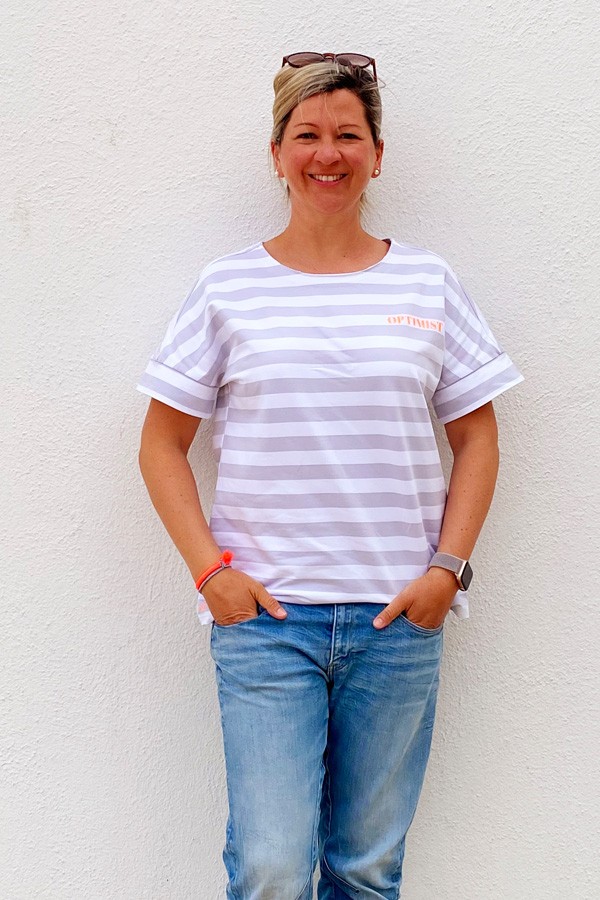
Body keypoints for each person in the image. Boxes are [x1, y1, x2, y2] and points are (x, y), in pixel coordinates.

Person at [137, 52, 523, 900]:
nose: (328, 153)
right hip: (267, 625)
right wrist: (211, 574)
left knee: (365, 869)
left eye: (348, 134)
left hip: (396, 624)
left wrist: (446, 572)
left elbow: (478, 436)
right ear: (276, 154)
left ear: (377, 155)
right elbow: (161, 444)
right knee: (272, 869)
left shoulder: (428, 281)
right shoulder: (228, 287)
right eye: (306, 134)